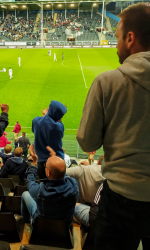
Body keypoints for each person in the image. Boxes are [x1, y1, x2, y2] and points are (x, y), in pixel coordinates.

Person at [76, 3, 150, 249]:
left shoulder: (108, 82)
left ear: (131, 38)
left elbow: (87, 142)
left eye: (116, 37)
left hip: (121, 198)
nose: (115, 43)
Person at [21, 145, 78, 225]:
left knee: (25, 194)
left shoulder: (40, 191)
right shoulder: (74, 184)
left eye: (46, 166)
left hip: (42, 224)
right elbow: (62, 173)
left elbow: (29, 181)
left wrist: (34, 163)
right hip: (64, 227)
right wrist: (55, 158)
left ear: (48, 173)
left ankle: (26, 224)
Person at [32, 101, 67, 179]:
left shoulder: (36, 121)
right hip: (57, 162)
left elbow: (37, 127)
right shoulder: (59, 127)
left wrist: (45, 115)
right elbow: (56, 124)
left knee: (44, 187)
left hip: (41, 162)